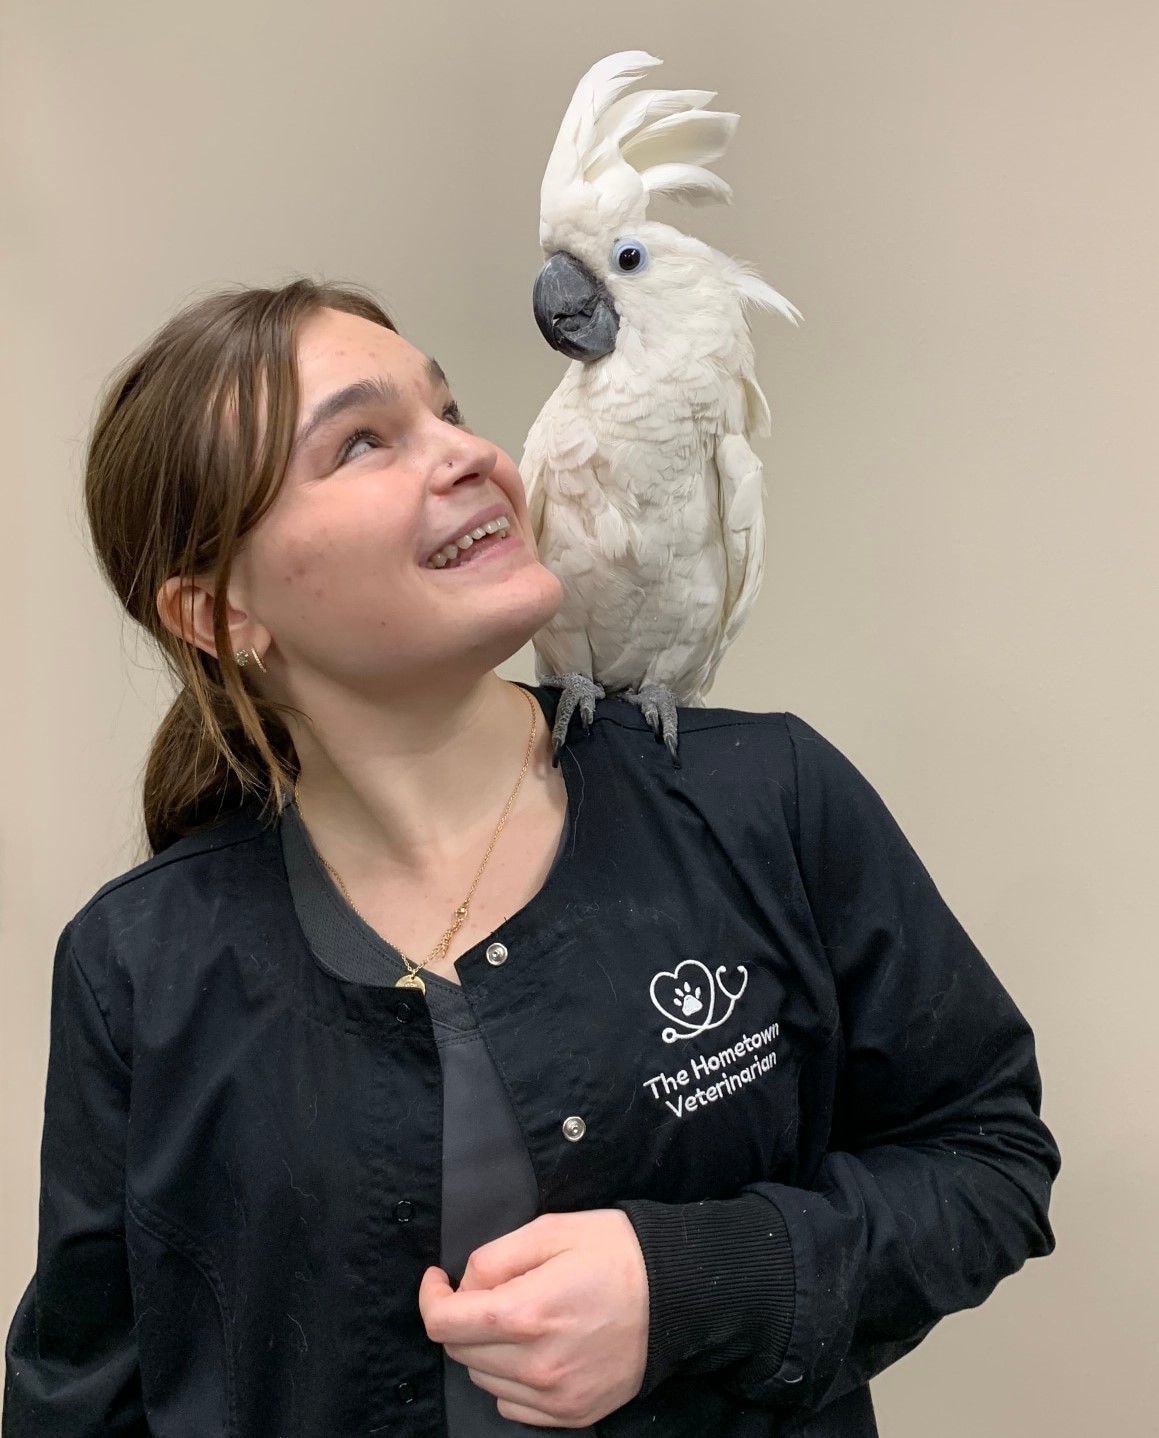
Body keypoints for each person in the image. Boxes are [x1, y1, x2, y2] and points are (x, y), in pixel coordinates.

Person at [3, 278, 1060, 1438]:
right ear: (216, 613)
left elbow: (985, 1154)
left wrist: (691, 1283)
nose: (471, 453)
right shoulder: (138, 963)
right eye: (362, 442)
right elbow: (79, 1392)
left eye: (447, 410)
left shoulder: (764, 800)